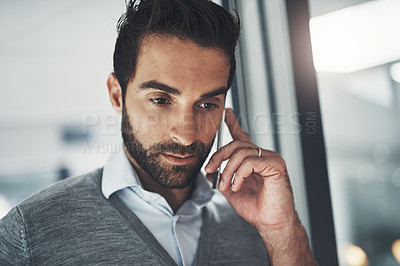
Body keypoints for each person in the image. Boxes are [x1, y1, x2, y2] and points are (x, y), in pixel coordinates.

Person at [0, 0, 318, 265]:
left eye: (207, 104)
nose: (186, 134)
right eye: (161, 100)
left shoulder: (260, 219)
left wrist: (281, 232)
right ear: (116, 95)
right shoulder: (28, 232)